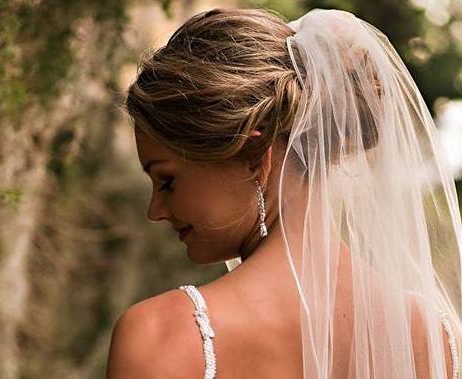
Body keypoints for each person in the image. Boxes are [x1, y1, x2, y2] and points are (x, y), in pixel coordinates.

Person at [107, 7, 462, 378]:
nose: (155, 210)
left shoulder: (165, 338)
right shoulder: (430, 335)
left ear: (252, 155)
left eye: (166, 181)